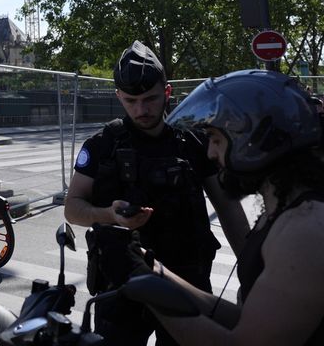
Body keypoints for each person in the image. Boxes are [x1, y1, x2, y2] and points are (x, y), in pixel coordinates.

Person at [117, 69, 324, 345]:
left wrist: (151, 294)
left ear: (253, 143)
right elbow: (245, 319)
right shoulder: (288, 211)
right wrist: (150, 270)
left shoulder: (303, 231)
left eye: (216, 139)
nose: (210, 153)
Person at [63, 41, 248, 346]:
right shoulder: (102, 145)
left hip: (187, 280)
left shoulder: (194, 142)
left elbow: (228, 208)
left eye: (149, 99)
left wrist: (252, 266)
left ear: (167, 92)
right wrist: (109, 215)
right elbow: (73, 207)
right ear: (118, 97)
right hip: (121, 282)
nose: (141, 109)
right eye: (131, 101)